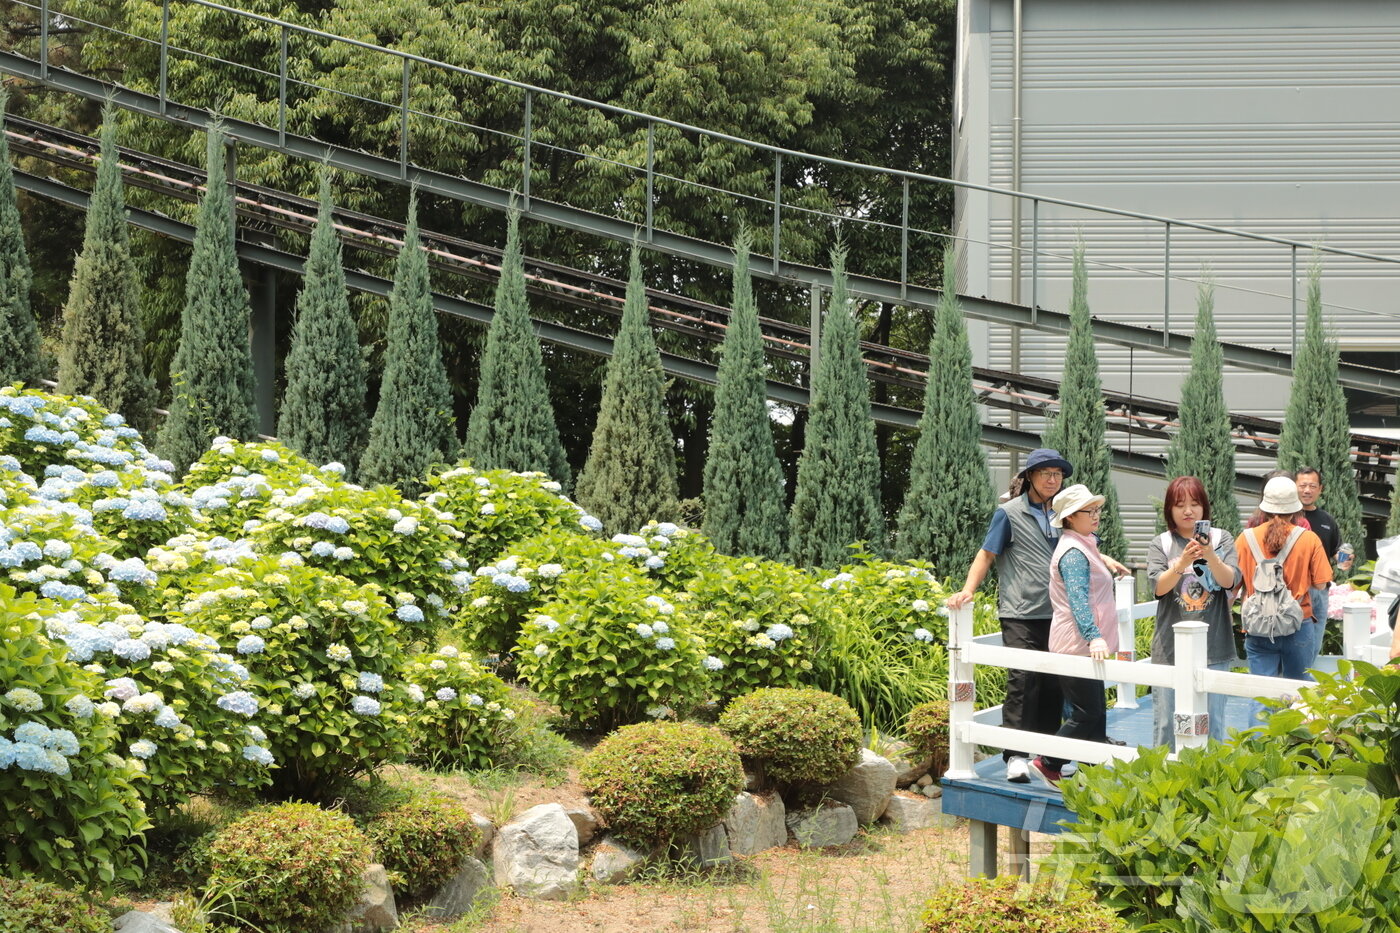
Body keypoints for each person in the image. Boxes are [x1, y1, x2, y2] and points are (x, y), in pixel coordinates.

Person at [947, 449, 1129, 783]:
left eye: (1057, 474)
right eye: (1045, 473)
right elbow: (986, 554)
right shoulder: (1009, 513)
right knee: (1023, 682)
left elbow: (1076, 547)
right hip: (1022, 612)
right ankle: (1015, 755)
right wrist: (968, 590)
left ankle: (1046, 756)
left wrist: (1103, 558)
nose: (1052, 480)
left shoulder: (1063, 512)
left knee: (1053, 687)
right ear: (1029, 476)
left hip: (1059, 615)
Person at [1033, 484, 1121, 786]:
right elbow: (1078, 600)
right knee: (1087, 712)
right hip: (1077, 643)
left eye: (1097, 509)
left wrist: (1105, 560)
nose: (1096, 515)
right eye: (1089, 511)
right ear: (1070, 517)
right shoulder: (1073, 553)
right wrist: (1094, 635)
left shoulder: (1083, 544)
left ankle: (1092, 773)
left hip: (1084, 645)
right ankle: (1048, 762)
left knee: (1096, 713)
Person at [1146, 476, 1240, 748]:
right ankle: (1162, 773)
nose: (1188, 511)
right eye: (1180, 505)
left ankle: (1210, 774)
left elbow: (1230, 581)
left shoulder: (1221, 539)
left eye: (1195, 504)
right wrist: (1182, 562)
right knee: (1167, 724)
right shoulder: (1162, 543)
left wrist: (1210, 555)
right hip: (1170, 650)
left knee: (1213, 724)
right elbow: (1158, 588)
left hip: (1215, 647)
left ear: (1204, 508)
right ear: (1169, 509)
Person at [1235, 477, 1333, 721]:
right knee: (1300, 693)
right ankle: (1295, 743)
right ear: (1296, 509)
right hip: (1298, 624)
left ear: (1264, 507)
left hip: (1258, 626)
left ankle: (1258, 744)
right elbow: (1321, 583)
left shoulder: (1245, 539)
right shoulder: (1309, 539)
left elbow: (1233, 584)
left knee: (1260, 695)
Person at [1295, 466, 1353, 666]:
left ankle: (1303, 680)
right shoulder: (1288, 517)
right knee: (1295, 643)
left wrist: (1344, 558)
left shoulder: (1327, 519)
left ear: (1320, 489)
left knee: (1314, 643)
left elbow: (1336, 550)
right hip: (1296, 590)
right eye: (1302, 485)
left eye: (1312, 486)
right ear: (1295, 487)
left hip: (1321, 590)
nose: (1307, 490)